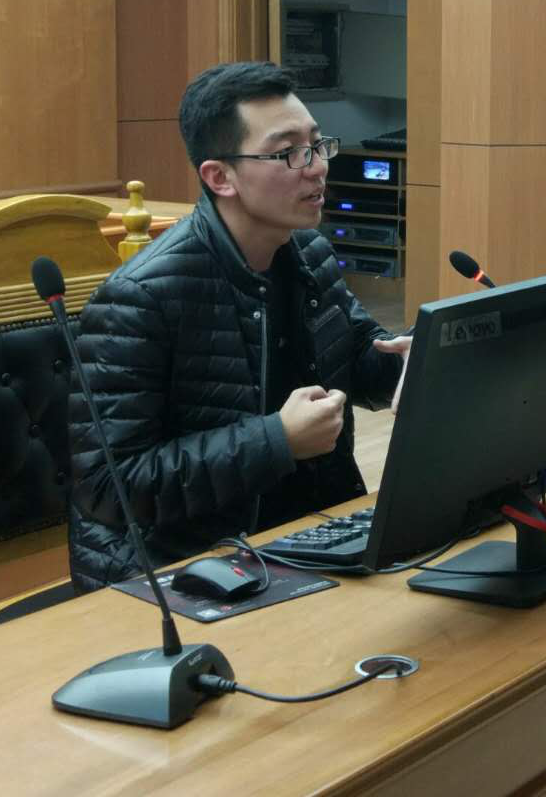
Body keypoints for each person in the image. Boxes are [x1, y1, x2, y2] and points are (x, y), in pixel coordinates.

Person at [67, 62, 410, 592]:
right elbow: (109, 487)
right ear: (219, 177)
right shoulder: (140, 299)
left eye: (318, 145)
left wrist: (412, 363)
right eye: (289, 153)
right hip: (181, 572)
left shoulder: (308, 250)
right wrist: (276, 440)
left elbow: (355, 356)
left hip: (313, 535)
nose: (317, 167)